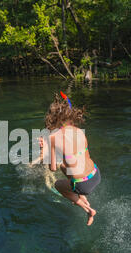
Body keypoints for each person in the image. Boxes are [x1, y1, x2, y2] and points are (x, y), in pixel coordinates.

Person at [37, 92, 101, 226]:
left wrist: (44, 149)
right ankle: (81, 195)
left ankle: (88, 209)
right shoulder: (78, 130)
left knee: (58, 185)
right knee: (64, 166)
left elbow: (52, 168)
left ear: (52, 119)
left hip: (83, 185)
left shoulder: (53, 137)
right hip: (96, 174)